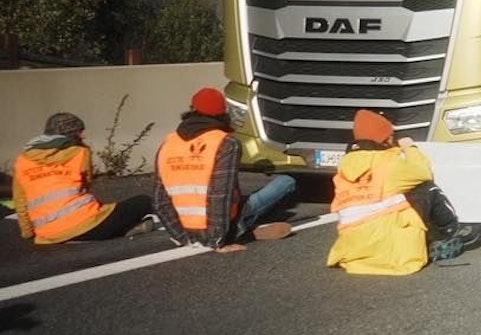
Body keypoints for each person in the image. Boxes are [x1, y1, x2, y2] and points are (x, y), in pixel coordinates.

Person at [328, 110, 479, 275]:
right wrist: (410, 147)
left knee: (397, 199)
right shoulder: (389, 163)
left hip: (353, 249)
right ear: (385, 139)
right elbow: (422, 171)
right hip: (394, 253)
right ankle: (449, 233)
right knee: (426, 188)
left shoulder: (343, 167)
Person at [154, 88, 297, 253]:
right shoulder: (225, 142)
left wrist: (182, 237)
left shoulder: (168, 143)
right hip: (217, 226)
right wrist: (217, 241)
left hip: (183, 227)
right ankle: (240, 228)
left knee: (238, 198)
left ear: (191, 110)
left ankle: (239, 228)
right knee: (287, 182)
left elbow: (160, 201)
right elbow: (220, 195)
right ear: (223, 113)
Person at [13, 112, 154, 244]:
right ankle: (126, 228)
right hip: (86, 225)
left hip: (47, 234)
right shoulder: (80, 152)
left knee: (106, 211)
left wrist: (27, 232)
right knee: (143, 202)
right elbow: (86, 184)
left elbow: (20, 201)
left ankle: (125, 229)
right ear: (71, 134)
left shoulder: (23, 160)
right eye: (80, 131)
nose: (83, 135)